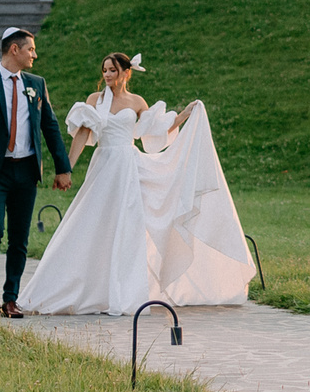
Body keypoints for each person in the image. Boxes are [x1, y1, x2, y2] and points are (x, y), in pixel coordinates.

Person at [17, 50, 256, 316]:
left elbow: (157, 130)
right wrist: (66, 168)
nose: (107, 75)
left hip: (129, 167)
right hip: (105, 166)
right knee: (91, 222)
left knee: (129, 226)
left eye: (112, 70)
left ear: (126, 73)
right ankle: (77, 286)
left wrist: (187, 113)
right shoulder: (95, 100)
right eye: (105, 70)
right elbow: (83, 135)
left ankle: (125, 291)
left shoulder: (137, 101)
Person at [0, 27, 70, 317]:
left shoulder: (36, 83)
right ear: (14, 50)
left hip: (26, 170)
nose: (35, 54)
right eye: (31, 49)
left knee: (20, 238)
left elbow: (50, 126)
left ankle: (11, 298)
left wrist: (62, 168)